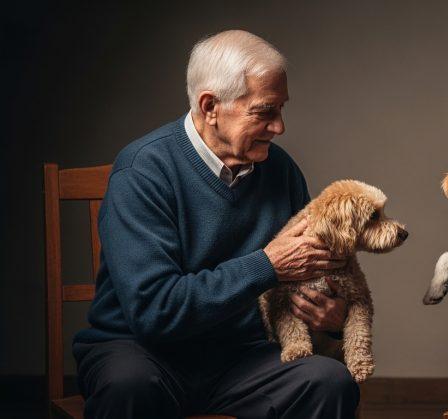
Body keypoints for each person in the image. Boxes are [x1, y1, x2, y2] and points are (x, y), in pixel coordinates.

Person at [72, 30, 358, 419]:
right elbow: (156, 312)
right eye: (265, 111)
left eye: (281, 110)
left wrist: (333, 315)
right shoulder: (143, 171)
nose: (280, 127)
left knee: (328, 380)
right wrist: (266, 265)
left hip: (243, 359)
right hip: (143, 352)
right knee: (128, 386)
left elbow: (310, 280)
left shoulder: (282, 171)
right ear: (210, 107)